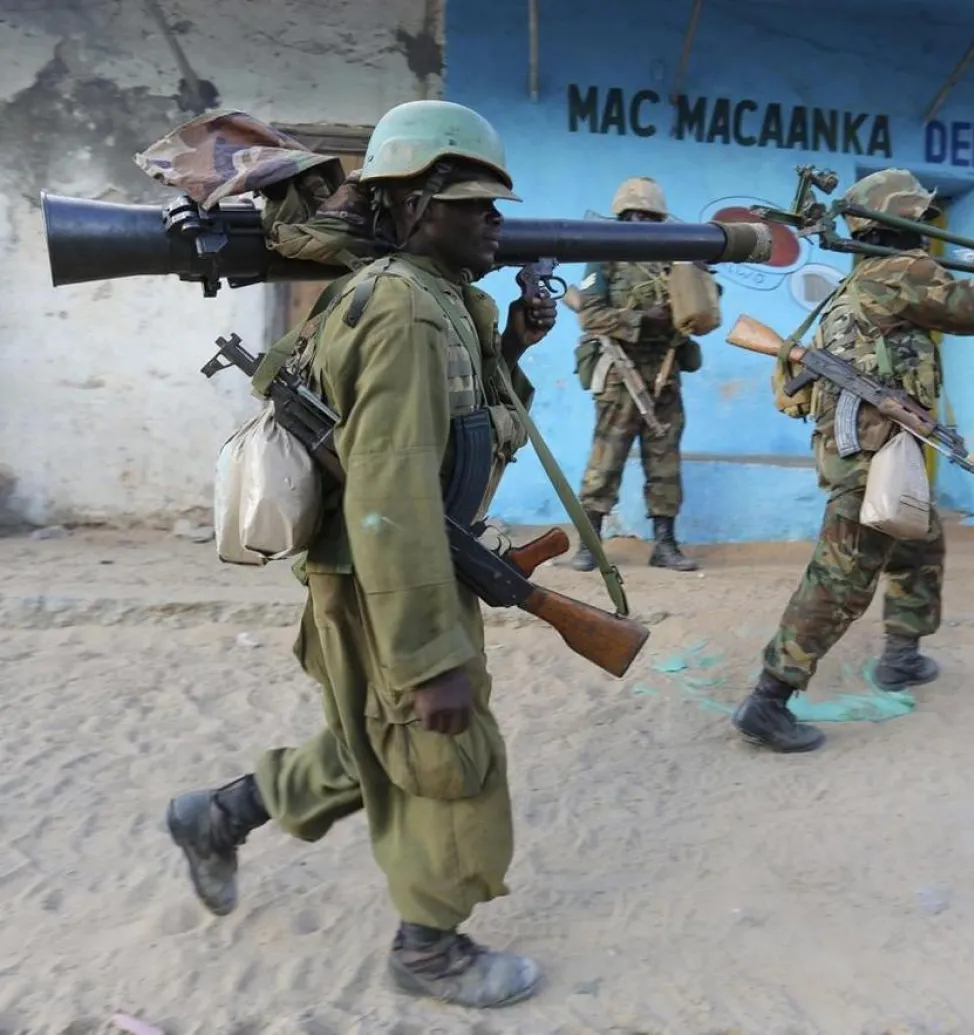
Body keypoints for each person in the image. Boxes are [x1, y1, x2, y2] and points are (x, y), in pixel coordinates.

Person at [164, 99, 559, 1009]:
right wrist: (432, 656)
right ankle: (429, 950)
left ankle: (215, 816)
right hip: (394, 575)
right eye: (474, 202)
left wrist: (513, 345)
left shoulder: (439, 298)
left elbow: (461, 433)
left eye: (497, 202)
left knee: (369, 744)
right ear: (416, 205)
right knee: (446, 760)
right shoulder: (404, 311)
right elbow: (390, 493)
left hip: (383, 570)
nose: (497, 218)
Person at [731, 168, 974, 754]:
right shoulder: (900, 272)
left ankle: (902, 655)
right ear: (909, 220)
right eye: (922, 220)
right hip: (872, 453)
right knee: (842, 574)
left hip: (875, 445)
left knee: (920, 542)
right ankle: (770, 698)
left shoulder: (857, 285)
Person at [568, 176, 707, 574]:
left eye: (649, 214)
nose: (640, 219)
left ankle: (664, 545)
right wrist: (641, 318)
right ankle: (588, 546)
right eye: (633, 214)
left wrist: (697, 291)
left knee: (664, 462)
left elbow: (701, 312)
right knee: (605, 460)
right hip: (620, 371)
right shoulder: (604, 257)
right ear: (621, 216)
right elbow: (591, 315)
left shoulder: (675, 259)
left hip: (664, 370)